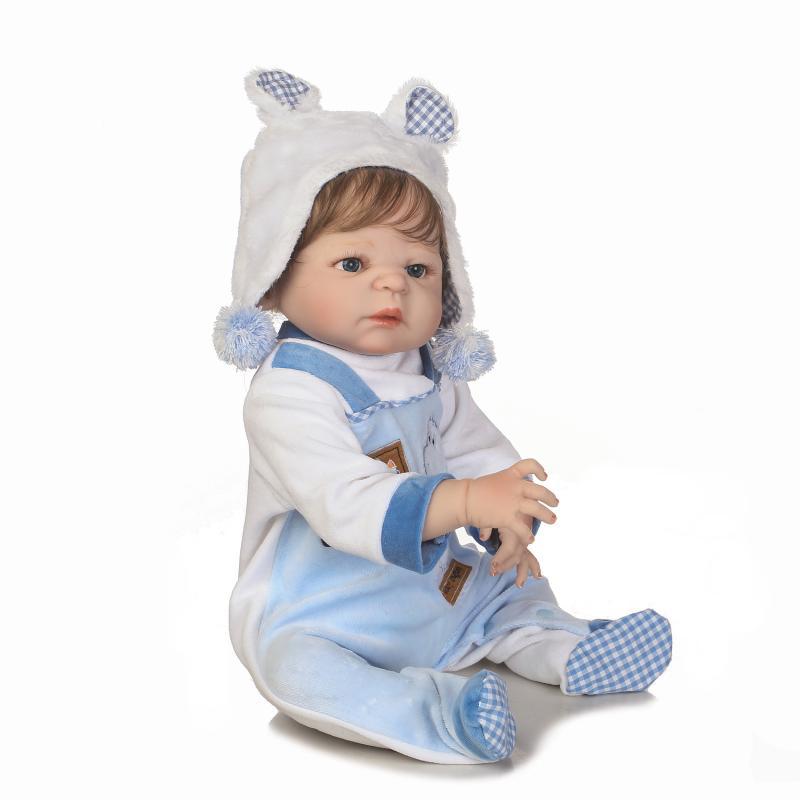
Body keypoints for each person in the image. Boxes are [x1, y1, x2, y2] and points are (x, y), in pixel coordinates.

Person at [214, 68, 672, 765]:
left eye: (419, 268)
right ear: (274, 277)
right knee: (298, 673)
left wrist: (503, 517)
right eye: (352, 262)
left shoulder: (426, 367)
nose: (391, 282)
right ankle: (443, 716)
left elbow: (474, 449)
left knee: (509, 587)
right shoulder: (289, 392)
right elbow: (345, 503)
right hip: (326, 611)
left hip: (434, 589)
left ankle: (565, 648)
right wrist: (463, 500)